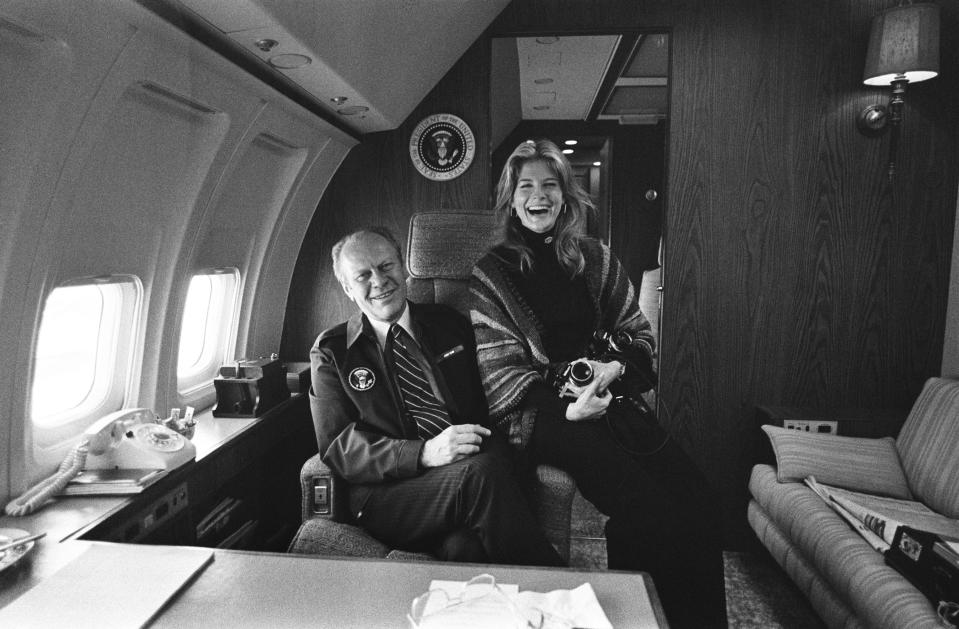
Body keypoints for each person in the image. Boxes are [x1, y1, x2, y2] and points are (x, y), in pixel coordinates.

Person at [470, 139, 727, 627]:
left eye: (550, 184)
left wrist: (615, 370)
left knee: (701, 501)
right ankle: (643, 620)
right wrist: (568, 410)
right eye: (526, 186)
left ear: (566, 196)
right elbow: (501, 376)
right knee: (650, 513)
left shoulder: (593, 257)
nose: (538, 195)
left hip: (611, 399)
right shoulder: (491, 274)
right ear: (511, 199)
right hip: (544, 416)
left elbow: (639, 335)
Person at [309, 227, 564, 567]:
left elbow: (493, 400)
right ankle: (556, 591)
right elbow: (339, 447)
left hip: (464, 474)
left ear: (402, 267)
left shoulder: (451, 325)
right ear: (347, 287)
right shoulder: (332, 352)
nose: (379, 281)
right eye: (363, 276)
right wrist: (423, 453)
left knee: (465, 549)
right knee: (480, 476)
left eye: (386, 267)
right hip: (387, 495)